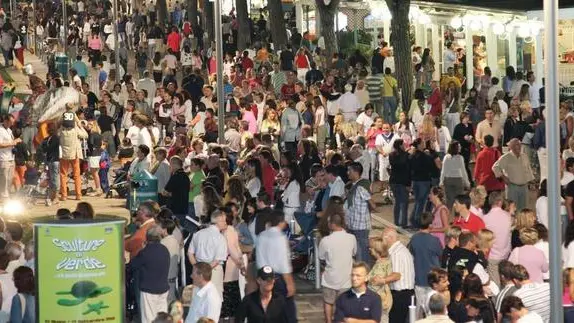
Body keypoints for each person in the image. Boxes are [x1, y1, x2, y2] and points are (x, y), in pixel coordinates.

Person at [255, 210, 297, 323]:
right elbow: (284, 263)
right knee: (287, 313)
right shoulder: (280, 237)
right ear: (281, 222)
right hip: (278, 278)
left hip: (263, 276)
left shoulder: (261, 236)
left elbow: (258, 258)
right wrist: (290, 283)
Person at [318, 212, 357, 323]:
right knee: (346, 305)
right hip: (346, 277)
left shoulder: (326, 240)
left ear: (332, 224)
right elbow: (354, 253)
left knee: (328, 302)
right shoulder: (351, 238)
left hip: (330, 277)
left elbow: (321, 256)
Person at [128, 225, 170, 323]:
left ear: (147, 237)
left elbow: (132, 265)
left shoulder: (145, 252)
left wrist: (143, 249)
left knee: (149, 318)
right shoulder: (164, 249)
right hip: (163, 288)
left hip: (149, 290)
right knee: (162, 317)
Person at [408, 212, 443, 317]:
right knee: (432, 310)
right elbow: (440, 254)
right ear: (430, 225)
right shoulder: (434, 240)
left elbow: (412, 252)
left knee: (418, 309)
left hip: (419, 277)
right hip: (433, 278)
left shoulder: (414, 239)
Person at [188, 209, 228, 298]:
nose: (225, 223)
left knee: (198, 300)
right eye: (224, 220)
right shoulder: (221, 238)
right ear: (218, 221)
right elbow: (217, 261)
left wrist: (197, 268)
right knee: (214, 301)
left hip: (198, 270)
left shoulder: (198, 234)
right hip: (213, 272)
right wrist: (204, 270)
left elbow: (190, 253)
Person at [492, 138, 535, 211]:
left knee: (523, 209)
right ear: (511, 147)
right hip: (512, 187)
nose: (518, 146)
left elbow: (528, 169)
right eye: (516, 145)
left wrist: (531, 181)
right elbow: (495, 167)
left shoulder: (524, 156)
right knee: (511, 209)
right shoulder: (506, 157)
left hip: (524, 187)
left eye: (519, 144)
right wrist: (503, 177)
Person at [383, 228, 415, 323]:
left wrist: (382, 280)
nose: (383, 242)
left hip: (400, 294)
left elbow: (396, 275)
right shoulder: (402, 249)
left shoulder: (395, 253)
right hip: (406, 293)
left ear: (390, 238)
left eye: (383, 239)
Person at [344, 162, 375, 263]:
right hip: (353, 224)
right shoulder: (353, 185)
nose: (347, 173)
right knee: (357, 252)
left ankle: (365, 274)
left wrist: (369, 210)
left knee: (362, 253)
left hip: (361, 225)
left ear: (356, 172)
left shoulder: (361, 186)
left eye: (350, 170)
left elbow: (372, 204)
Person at [483, 191, 512, 286]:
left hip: (492, 255)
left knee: (495, 285)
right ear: (500, 202)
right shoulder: (508, 216)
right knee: (506, 283)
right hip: (506, 253)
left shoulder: (485, 218)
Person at [160, 156, 190, 228]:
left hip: (174, 209)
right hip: (184, 208)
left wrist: (170, 194)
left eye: (170, 164)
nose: (170, 167)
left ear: (174, 164)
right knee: (181, 229)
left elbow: (164, 192)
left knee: (174, 230)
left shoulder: (175, 176)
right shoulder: (186, 176)